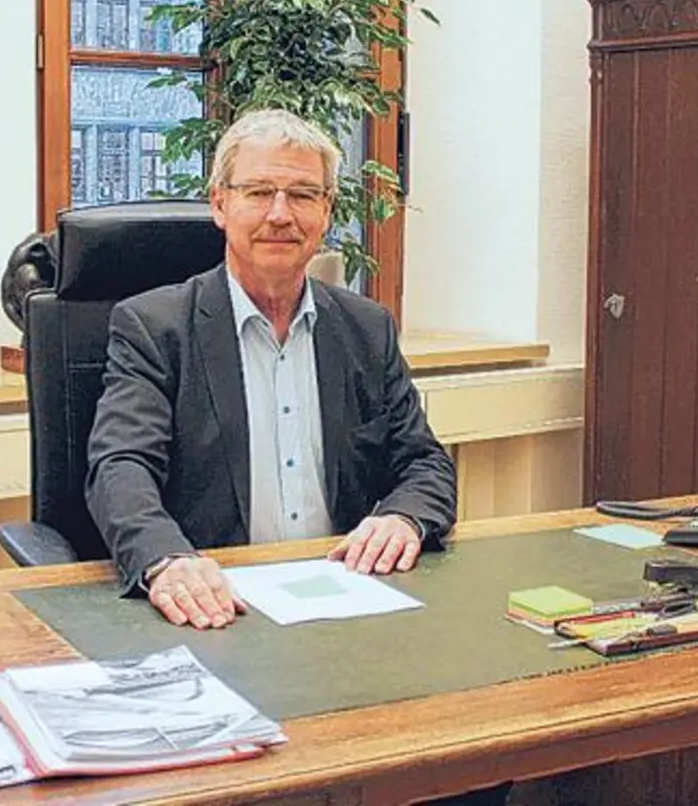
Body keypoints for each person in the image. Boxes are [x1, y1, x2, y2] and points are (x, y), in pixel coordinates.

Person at [86, 108, 459, 629]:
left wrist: (405, 518)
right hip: (214, 605)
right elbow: (120, 468)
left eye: (304, 195)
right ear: (220, 204)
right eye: (259, 192)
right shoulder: (155, 327)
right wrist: (167, 560)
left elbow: (425, 462)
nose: (281, 214)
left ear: (326, 211)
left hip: (344, 600)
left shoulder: (365, 328)